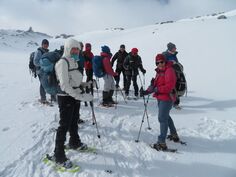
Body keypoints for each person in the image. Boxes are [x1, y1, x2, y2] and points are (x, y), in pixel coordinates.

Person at [53, 38, 93, 168]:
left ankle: (74, 142)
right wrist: (79, 96)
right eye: (73, 49)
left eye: (77, 49)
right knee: (64, 125)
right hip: (65, 97)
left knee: (74, 120)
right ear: (68, 48)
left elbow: (74, 81)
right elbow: (64, 85)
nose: (76, 51)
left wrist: (85, 84)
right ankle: (58, 154)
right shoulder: (62, 62)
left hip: (74, 95)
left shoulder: (74, 61)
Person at [141, 54, 179, 151]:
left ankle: (161, 143)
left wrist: (157, 89)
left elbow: (169, 86)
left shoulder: (169, 70)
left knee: (162, 118)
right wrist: (147, 91)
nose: (160, 64)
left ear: (165, 61)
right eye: (157, 63)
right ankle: (174, 134)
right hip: (161, 97)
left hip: (167, 98)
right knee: (166, 116)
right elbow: (155, 85)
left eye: (161, 62)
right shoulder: (159, 71)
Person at [33, 39, 56, 104]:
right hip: (40, 71)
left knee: (51, 82)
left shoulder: (47, 51)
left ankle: (53, 97)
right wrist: (44, 64)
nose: (46, 45)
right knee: (43, 84)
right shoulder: (38, 51)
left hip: (47, 70)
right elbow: (35, 62)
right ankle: (43, 99)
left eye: (47, 44)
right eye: (44, 44)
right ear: (42, 44)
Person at [162, 42, 181, 109]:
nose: (175, 49)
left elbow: (176, 62)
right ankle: (169, 102)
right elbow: (162, 64)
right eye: (174, 48)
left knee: (176, 87)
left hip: (176, 74)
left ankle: (175, 102)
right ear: (170, 48)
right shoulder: (165, 55)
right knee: (171, 88)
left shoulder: (173, 54)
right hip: (168, 75)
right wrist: (171, 63)